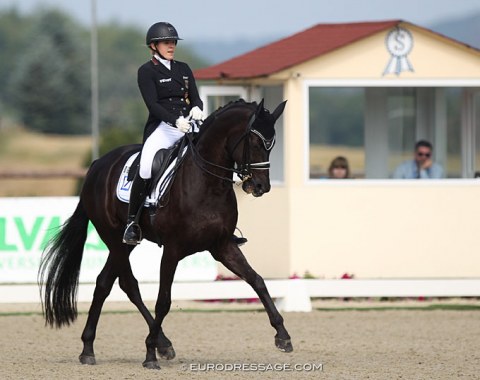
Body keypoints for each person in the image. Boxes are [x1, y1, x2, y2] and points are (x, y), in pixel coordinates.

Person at [123, 22, 246, 246]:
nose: (171, 46)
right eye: (166, 42)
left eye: (173, 42)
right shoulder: (147, 71)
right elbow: (152, 105)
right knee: (146, 164)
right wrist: (174, 121)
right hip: (164, 126)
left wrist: (197, 108)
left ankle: (225, 223)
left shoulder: (183, 68)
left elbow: (195, 96)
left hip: (189, 123)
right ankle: (133, 222)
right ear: (153, 45)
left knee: (215, 157)